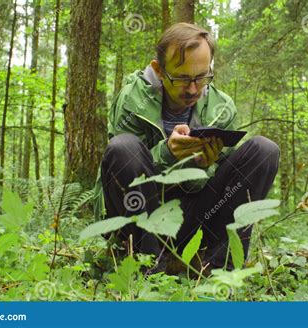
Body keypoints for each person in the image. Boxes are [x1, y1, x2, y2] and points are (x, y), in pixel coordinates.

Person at [94, 22, 280, 271]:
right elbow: (121, 169)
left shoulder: (221, 108)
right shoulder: (132, 100)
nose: (193, 89)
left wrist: (203, 165)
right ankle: (148, 267)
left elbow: (229, 191)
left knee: (265, 151)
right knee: (122, 147)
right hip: (145, 218)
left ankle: (218, 268)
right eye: (182, 78)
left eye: (201, 77)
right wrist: (166, 154)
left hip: (196, 220)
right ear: (158, 70)